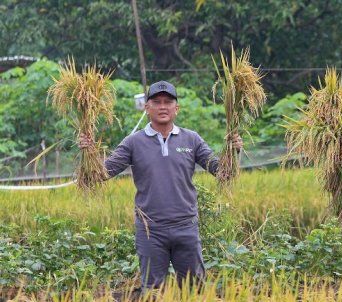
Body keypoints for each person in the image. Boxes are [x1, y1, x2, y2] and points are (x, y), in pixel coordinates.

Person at [78, 80, 242, 291]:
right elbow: (99, 174)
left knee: (195, 290)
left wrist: (234, 151)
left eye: (168, 102)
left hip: (186, 226)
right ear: (147, 108)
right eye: (156, 102)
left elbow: (224, 173)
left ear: (177, 108)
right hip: (150, 230)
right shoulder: (133, 142)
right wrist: (87, 152)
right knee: (153, 292)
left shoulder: (191, 140)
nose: (162, 106)